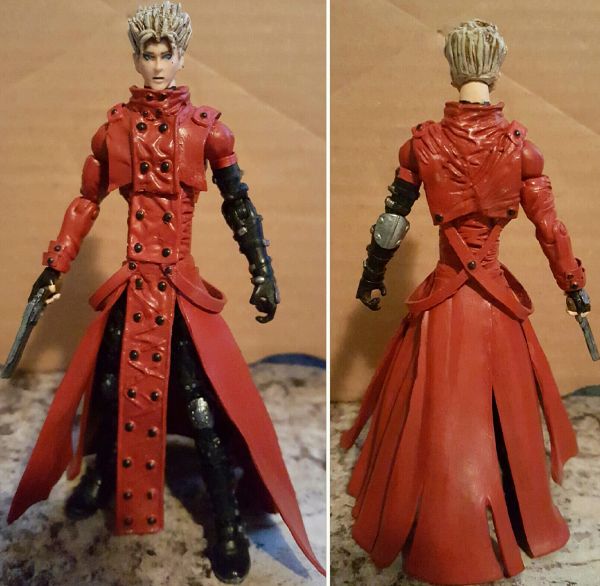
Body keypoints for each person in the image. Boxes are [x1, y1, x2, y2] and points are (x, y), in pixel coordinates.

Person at [7, 2, 323, 583]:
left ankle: (226, 518)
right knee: (109, 387)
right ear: (137, 58)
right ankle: (104, 474)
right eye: (147, 54)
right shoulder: (114, 130)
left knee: (201, 406)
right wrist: (56, 265)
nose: (156, 64)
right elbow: (86, 201)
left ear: (181, 57)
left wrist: (262, 268)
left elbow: (239, 203)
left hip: (179, 285)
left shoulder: (206, 130)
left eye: (165, 53)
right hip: (133, 283)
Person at [342, 19, 590, 584]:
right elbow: (550, 229)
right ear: (496, 69)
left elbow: (391, 222)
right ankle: (510, 514)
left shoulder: (422, 145)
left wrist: (372, 274)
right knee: (501, 413)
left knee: (435, 413)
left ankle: (443, 514)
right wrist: (573, 286)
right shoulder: (522, 149)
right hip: (494, 303)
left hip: (445, 301)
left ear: (452, 69)